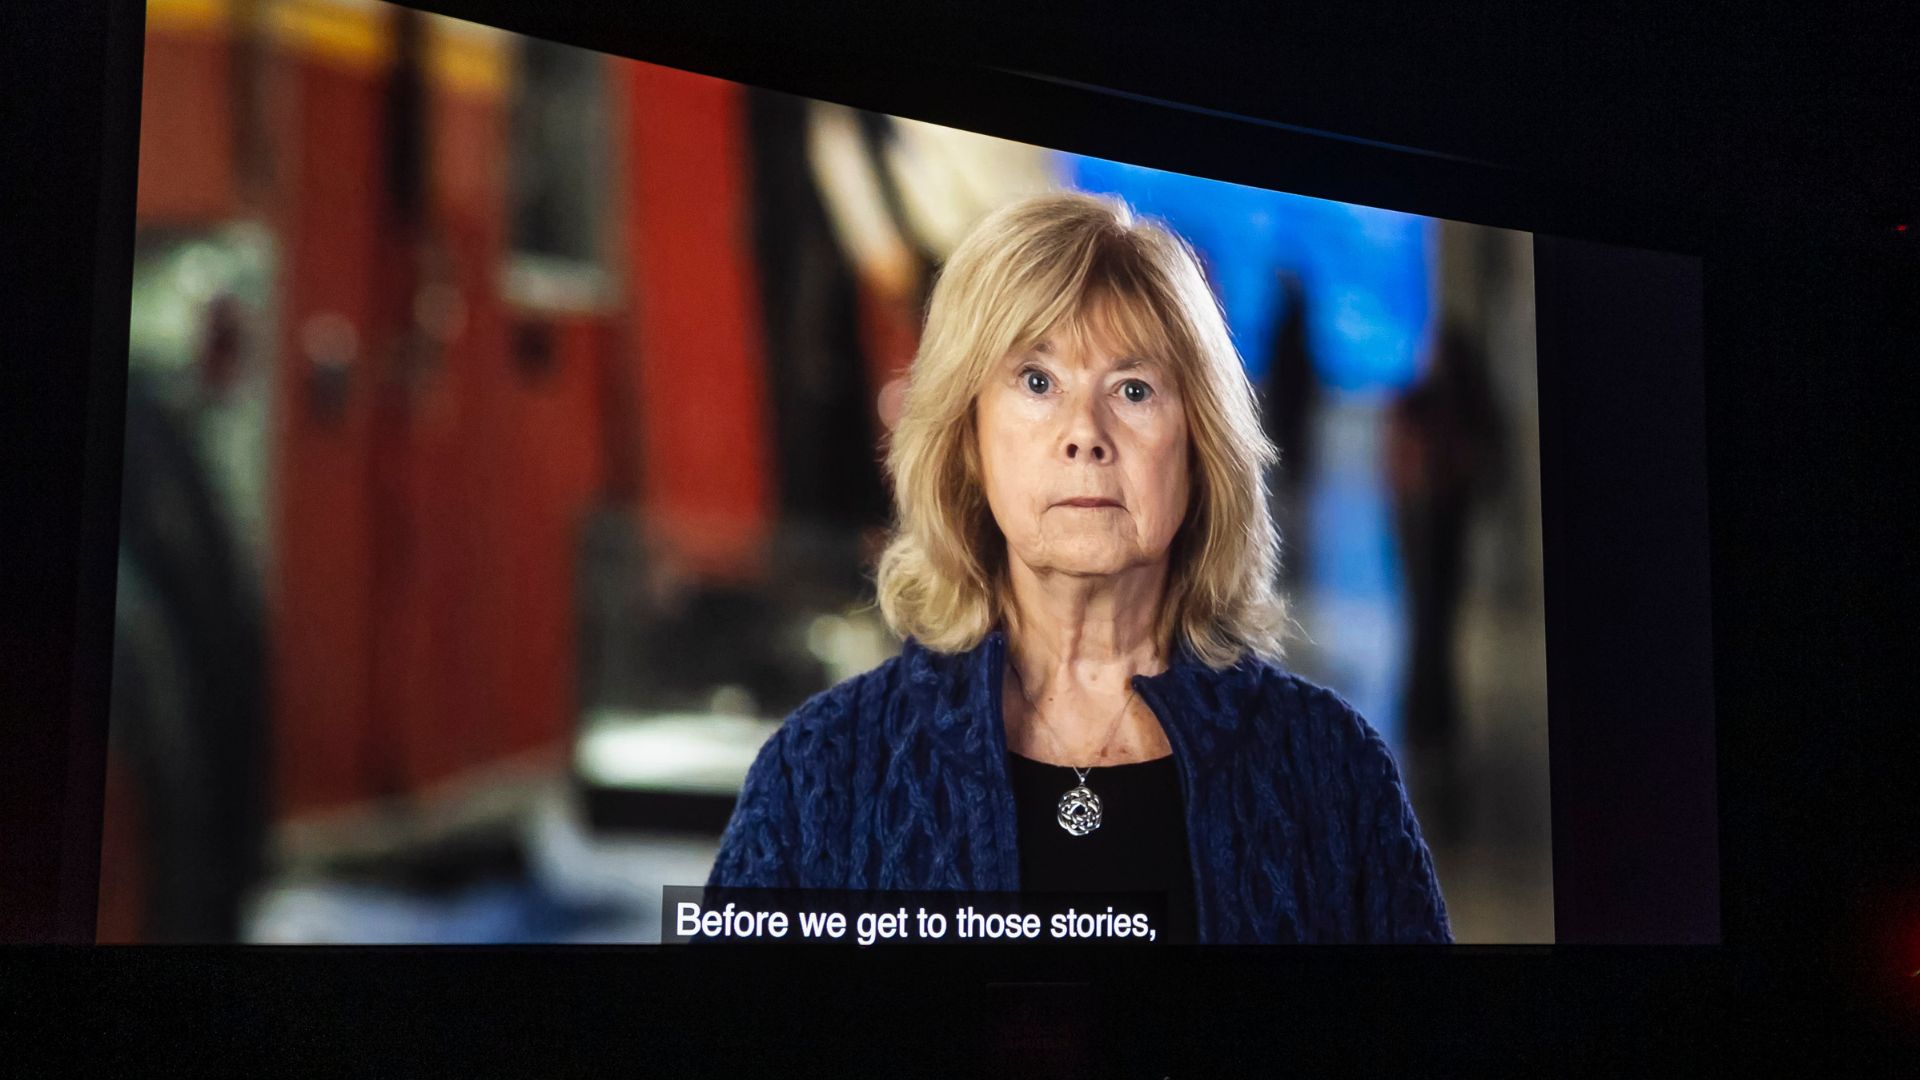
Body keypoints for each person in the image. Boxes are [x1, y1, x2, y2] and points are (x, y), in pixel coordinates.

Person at [706, 191, 1450, 944]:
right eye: (1037, 383)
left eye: (1133, 390)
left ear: (1200, 449)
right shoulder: (818, 771)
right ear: (968, 440)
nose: (1084, 435)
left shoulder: (1331, 767)